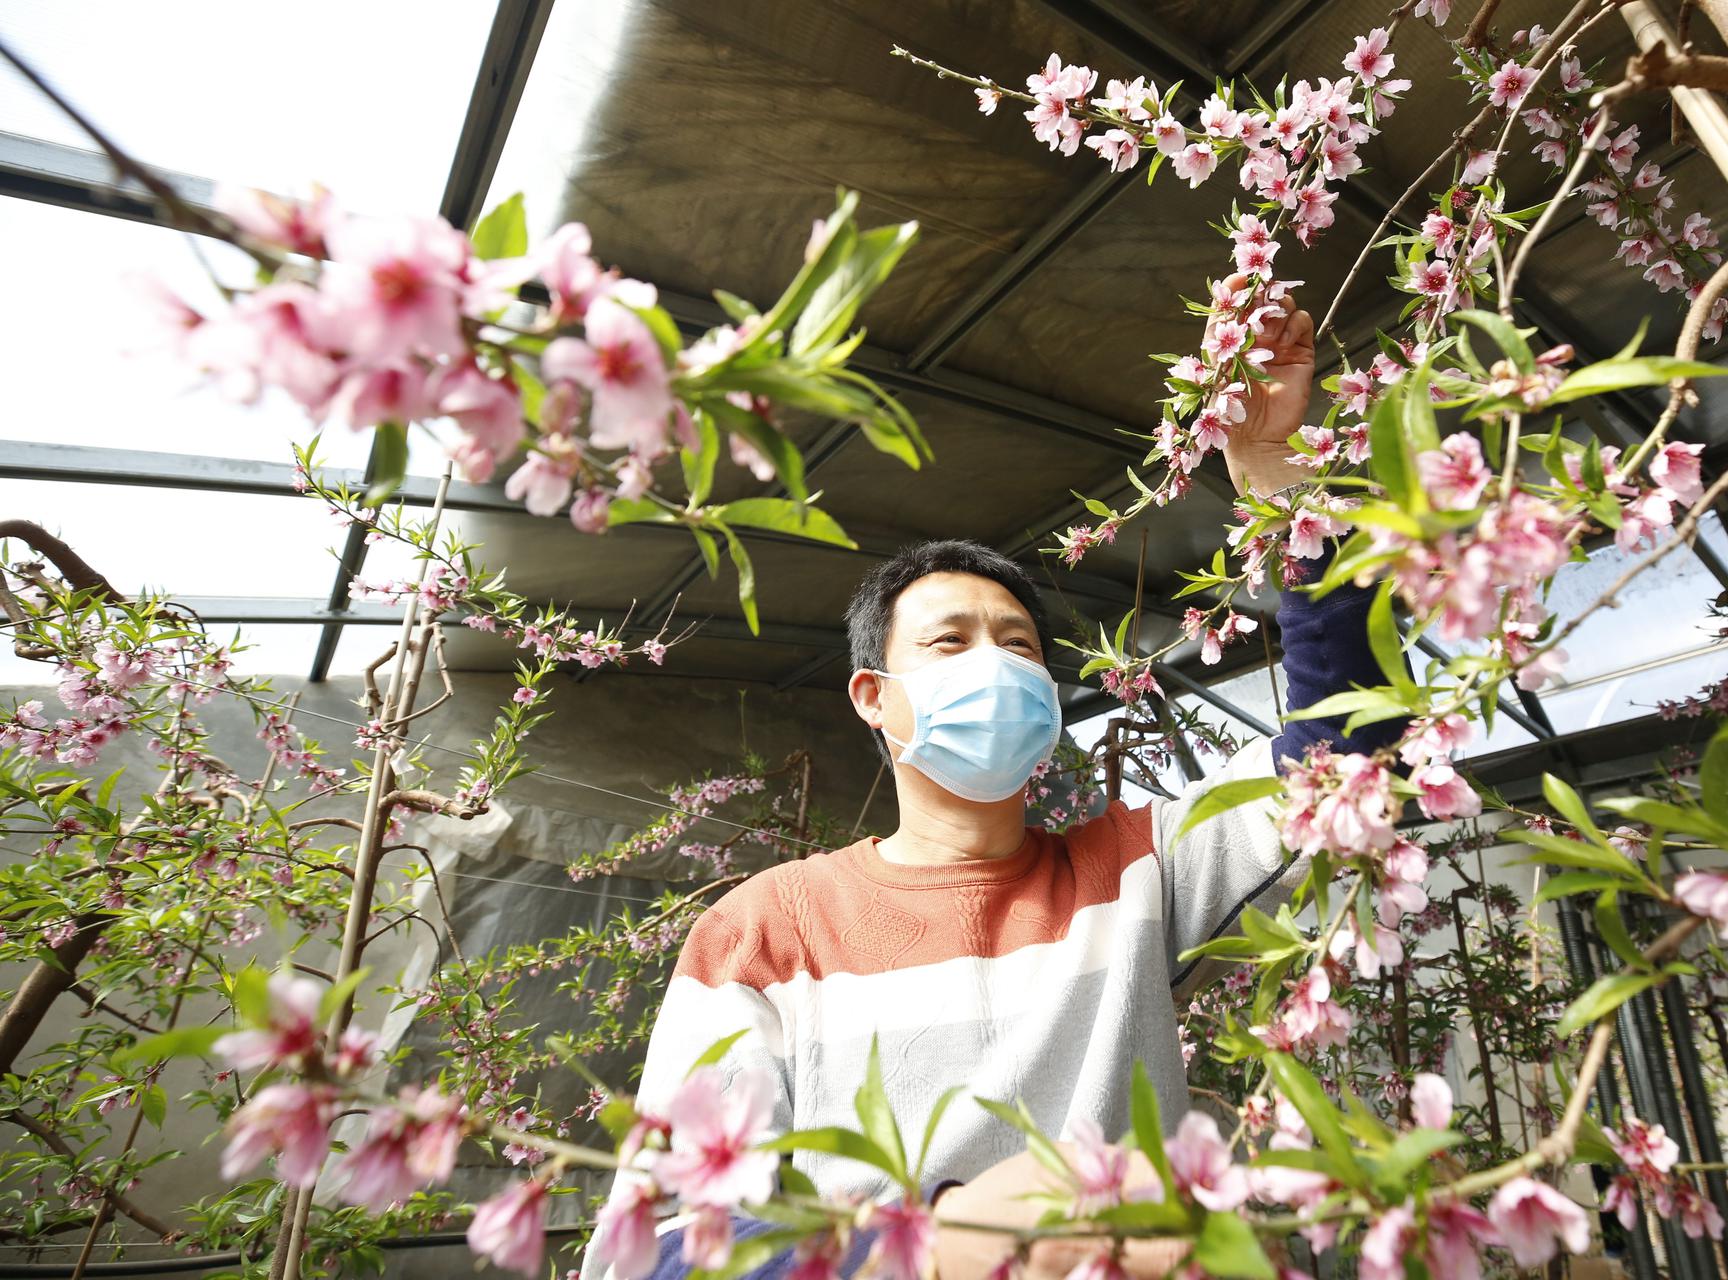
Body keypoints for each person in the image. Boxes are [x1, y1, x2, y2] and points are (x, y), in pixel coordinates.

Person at [590, 288, 1398, 1280]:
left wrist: (1279, 476)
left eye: (1018, 645)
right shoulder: (764, 931)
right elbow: (663, 1247)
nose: (997, 664)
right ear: (871, 697)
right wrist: (939, 1246)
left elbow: (1345, 759)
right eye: (949, 641)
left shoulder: (1135, 868)